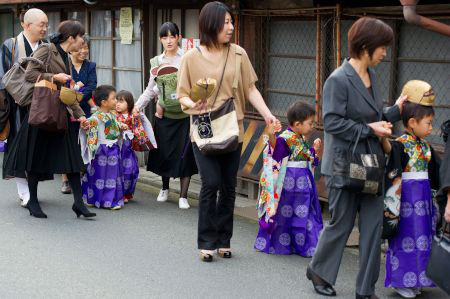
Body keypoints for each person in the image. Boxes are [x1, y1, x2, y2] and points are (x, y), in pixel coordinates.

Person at [305, 17, 405, 299]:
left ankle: (366, 290)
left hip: (371, 165)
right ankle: (319, 271)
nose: (385, 53)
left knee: (373, 227)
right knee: (342, 223)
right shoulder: (338, 79)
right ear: (365, 47)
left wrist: (396, 110)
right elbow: (332, 122)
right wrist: (369, 128)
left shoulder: (372, 76)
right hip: (344, 164)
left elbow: (374, 117)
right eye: (382, 47)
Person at [178, 1, 279, 262]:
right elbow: (182, 97)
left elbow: (250, 89)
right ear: (210, 24)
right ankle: (206, 241)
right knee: (210, 183)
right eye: (226, 23)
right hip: (203, 123)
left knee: (228, 185)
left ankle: (224, 239)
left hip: (234, 125)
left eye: (232, 22)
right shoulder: (190, 57)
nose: (231, 27)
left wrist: (268, 114)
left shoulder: (238, 54)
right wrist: (194, 104)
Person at [3, 20, 96, 219]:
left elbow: (66, 92)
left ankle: (78, 204)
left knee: (72, 160)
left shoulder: (68, 58)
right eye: (81, 37)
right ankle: (33, 202)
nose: (82, 41)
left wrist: (80, 116)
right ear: (71, 38)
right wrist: (55, 77)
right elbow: (30, 74)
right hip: (41, 114)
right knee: (36, 160)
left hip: (59, 115)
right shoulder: (47, 49)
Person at [382, 80, 440, 298]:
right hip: (405, 201)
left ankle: (417, 278)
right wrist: (384, 135)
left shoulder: (427, 148)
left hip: (423, 201)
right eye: (429, 123)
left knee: (423, 237)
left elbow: (438, 173)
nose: (431, 127)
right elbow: (388, 149)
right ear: (413, 122)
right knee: (405, 238)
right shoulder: (400, 143)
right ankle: (401, 281)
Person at [134, 22, 197, 210]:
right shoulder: (156, 61)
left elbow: (195, 85)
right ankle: (165, 187)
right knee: (164, 152)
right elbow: (151, 89)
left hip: (186, 115)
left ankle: (183, 195)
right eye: (164, 37)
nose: (168, 41)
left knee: (186, 155)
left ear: (178, 37)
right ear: (161, 39)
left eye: (172, 36)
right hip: (164, 115)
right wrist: (137, 107)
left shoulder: (187, 58)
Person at [254, 101, 323, 257]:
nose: (312, 126)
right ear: (298, 124)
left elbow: (304, 156)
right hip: (289, 183)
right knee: (286, 215)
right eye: (310, 123)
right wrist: (272, 134)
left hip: (303, 183)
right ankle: (287, 245)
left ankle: (306, 245)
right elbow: (277, 152)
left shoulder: (300, 137)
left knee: (303, 213)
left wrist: (314, 150)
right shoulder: (286, 137)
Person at [0, 8, 48, 207]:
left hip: (41, 102)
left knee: (37, 147)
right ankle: (24, 191)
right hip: (16, 104)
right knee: (19, 146)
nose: (45, 29)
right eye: (41, 25)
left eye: (46, 25)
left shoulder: (46, 45)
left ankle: (32, 190)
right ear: (27, 25)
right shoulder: (10, 45)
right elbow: (3, 76)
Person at [61, 35, 97, 194]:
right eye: (79, 48)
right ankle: (65, 180)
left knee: (84, 143)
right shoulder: (63, 65)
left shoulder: (90, 66)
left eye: (85, 47)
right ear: (70, 49)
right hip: (65, 110)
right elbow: (62, 89)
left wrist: (77, 95)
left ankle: (82, 176)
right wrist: (73, 96)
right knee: (67, 143)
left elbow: (91, 86)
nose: (83, 51)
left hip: (84, 111)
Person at [81, 85, 127, 210]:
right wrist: (85, 126)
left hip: (112, 148)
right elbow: (89, 127)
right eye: (114, 98)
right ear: (104, 102)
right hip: (101, 149)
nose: (116, 101)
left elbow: (115, 125)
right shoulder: (95, 117)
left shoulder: (112, 116)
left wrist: (121, 126)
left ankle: (102, 199)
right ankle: (104, 200)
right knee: (100, 176)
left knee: (109, 175)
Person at [115, 90, 139, 203]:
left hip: (128, 148)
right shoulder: (113, 116)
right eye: (116, 101)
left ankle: (128, 193)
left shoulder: (133, 116)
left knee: (132, 169)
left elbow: (139, 130)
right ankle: (120, 194)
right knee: (118, 169)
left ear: (129, 103)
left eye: (121, 101)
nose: (117, 104)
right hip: (117, 146)